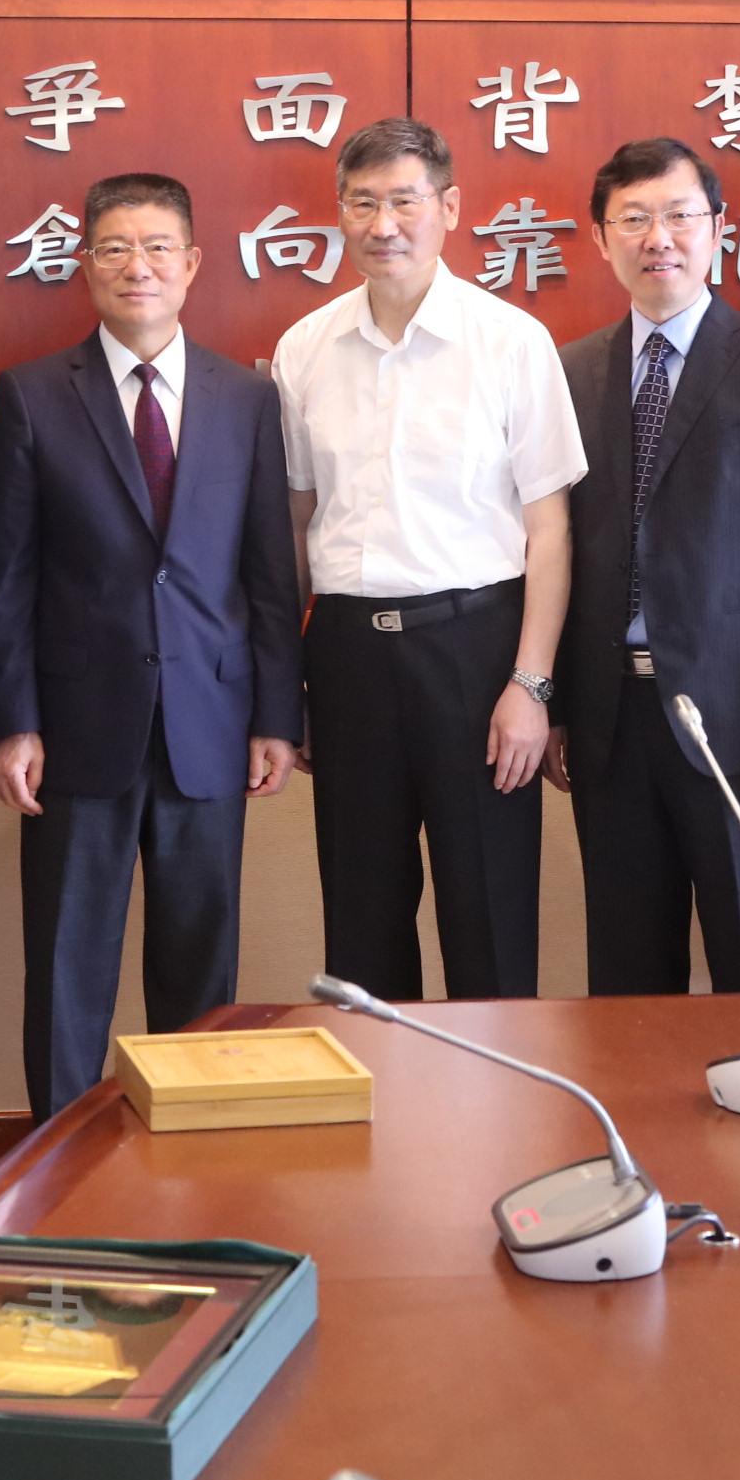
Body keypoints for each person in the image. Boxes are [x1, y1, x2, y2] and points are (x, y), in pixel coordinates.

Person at [0, 174, 303, 1115]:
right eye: (116, 247)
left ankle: (188, 1150)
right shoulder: (35, 394)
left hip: (211, 719)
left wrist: (276, 717)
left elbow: (269, 574)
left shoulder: (248, 398)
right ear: (85, 264)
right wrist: (12, 722)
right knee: (66, 962)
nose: (139, 266)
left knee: (201, 967)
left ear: (193, 263)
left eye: (159, 246)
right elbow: (7, 577)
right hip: (76, 725)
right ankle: (55, 1160)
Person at [272, 117, 586, 1003]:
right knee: (361, 923)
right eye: (362, 203)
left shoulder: (510, 341)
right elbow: (297, 524)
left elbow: (551, 532)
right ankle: (390, 1094)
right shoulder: (305, 348)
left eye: (405, 201)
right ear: (340, 213)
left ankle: (494, 1097)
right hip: (347, 656)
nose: (384, 225)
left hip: (476, 652)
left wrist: (531, 686)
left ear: (449, 208)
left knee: (489, 915)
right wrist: (294, 683)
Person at [547, 138, 740, 996]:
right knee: (627, 981)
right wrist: (561, 707)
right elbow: (562, 547)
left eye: (680, 215)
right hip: (612, 722)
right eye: (634, 219)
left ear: (718, 228)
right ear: (601, 238)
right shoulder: (572, 369)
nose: (659, 238)